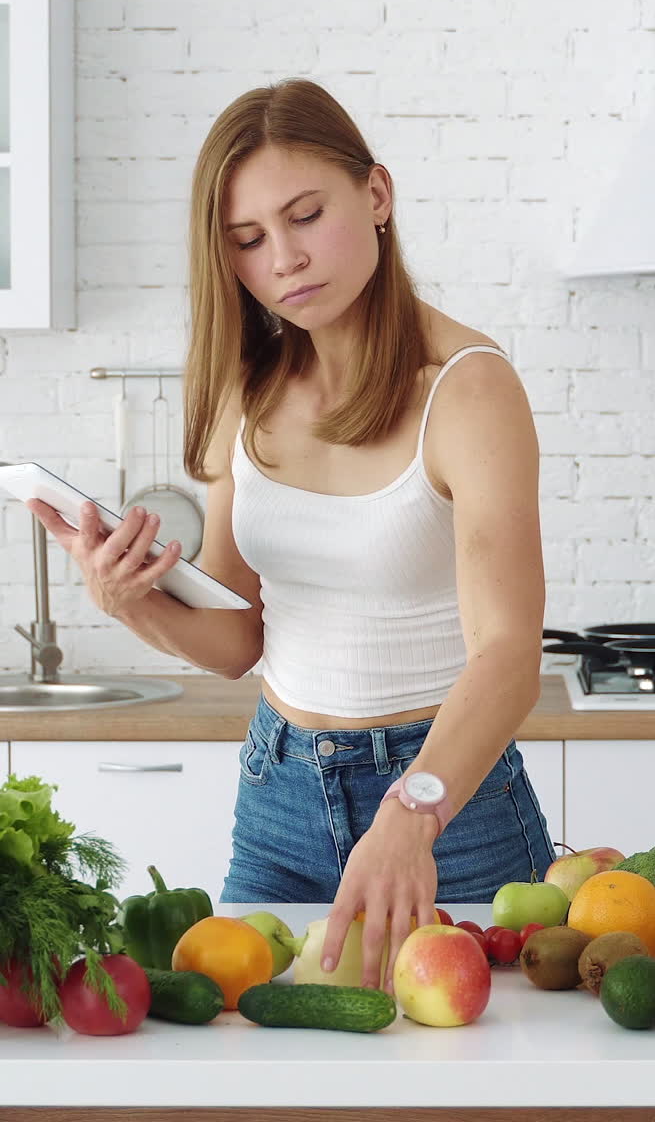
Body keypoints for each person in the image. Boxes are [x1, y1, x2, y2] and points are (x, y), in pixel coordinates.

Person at [27, 77, 555, 996]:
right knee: (250, 1065)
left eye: (306, 216)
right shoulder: (251, 389)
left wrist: (413, 811)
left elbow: (509, 652)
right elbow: (240, 640)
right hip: (278, 797)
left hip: (447, 802)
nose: (285, 259)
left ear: (377, 195)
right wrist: (131, 601)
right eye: (248, 240)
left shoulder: (466, 388)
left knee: (472, 1081)